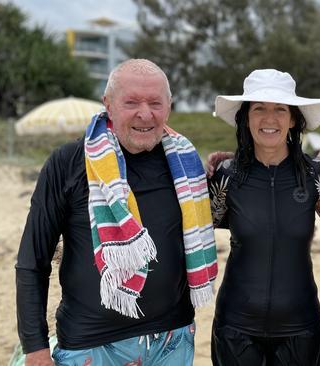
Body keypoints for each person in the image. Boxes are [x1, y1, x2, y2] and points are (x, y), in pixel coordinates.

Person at [15, 59, 218, 366]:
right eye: (132, 102)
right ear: (108, 105)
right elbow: (33, 261)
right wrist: (35, 347)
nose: (145, 114)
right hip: (90, 344)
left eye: (155, 103)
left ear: (169, 107)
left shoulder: (186, 167)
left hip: (172, 341)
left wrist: (236, 168)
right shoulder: (69, 163)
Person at [208, 69, 320, 365]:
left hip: (300, 328)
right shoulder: (227, 176)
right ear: (245, 116)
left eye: (280, 109)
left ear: (293, 118)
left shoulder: (314, 175)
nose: (269, 119)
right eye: (259, 108)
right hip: (235, 327)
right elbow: (195, 229)